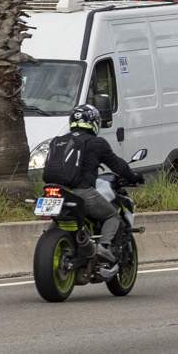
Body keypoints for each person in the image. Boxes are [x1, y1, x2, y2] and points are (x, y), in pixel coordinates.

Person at [40, 101, 140, 267]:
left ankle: (64, 244)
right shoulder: (96, 143)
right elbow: (117, 165)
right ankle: (104, 247)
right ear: (94, 123)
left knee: (60, 220)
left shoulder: (57, 141)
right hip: (81, 192)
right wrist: (134, 177)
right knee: (112, 216)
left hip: (52, 190)